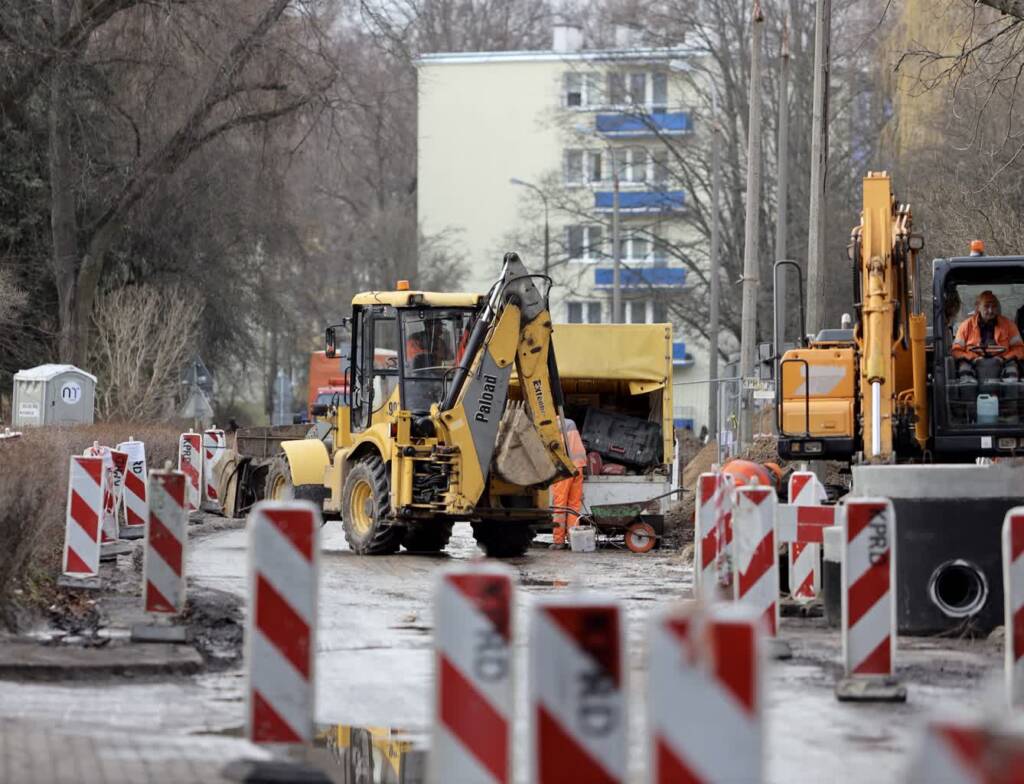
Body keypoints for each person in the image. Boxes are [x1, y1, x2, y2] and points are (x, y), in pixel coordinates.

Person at [952, 290, 1024, 378]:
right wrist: (972, 358)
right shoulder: (965, 326)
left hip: (1004, 363)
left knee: (1012, 372)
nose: (990, 310)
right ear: (978, 307)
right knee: (964, 371)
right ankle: (967, 388)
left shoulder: (1009, 325)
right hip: (972, 363)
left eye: (994, 306)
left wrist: (1004, 358)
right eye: (986, 306)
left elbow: (1020, 349)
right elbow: (956, 351)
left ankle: (1010, 389)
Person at [550, 417, 587, 550]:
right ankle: (573, 540)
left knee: (560, 505)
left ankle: (558, 540)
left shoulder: (550, 424)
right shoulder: (571, 422)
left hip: (564, 469)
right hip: (578, 467)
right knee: (573, 506)